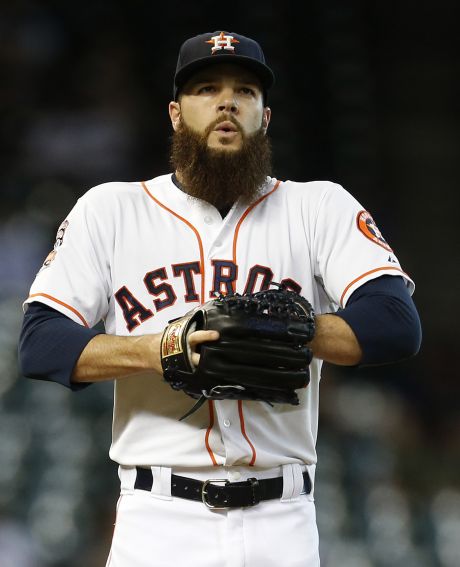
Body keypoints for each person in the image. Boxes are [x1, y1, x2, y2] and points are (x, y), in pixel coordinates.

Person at [19, 30, 421, 567]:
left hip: (282, 520)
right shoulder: (111, 210)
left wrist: (290, 329)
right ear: (175, 114)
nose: (227, 101)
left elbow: (395, 323)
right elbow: (41, 344)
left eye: (245, 91)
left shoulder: (318, 207)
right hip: (156, 520)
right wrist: (162, 348)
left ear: (265, 117)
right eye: (206, 88)